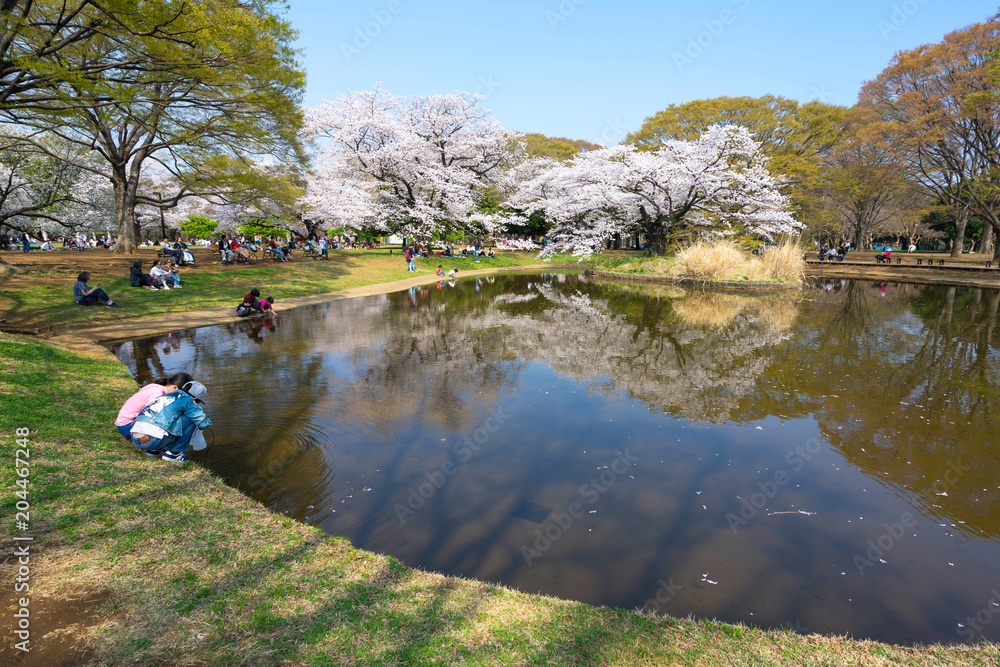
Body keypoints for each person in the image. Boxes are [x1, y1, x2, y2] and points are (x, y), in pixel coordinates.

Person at [130, 381, 211, 462]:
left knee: (169, 420)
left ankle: (156, 450)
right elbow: (202, 423)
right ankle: (174, 454)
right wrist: (206, 423)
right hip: (152, 440)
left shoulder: (167, 395)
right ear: (195, 398)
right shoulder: (188, 400)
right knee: (190, 419)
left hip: (136, 438)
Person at [115, 372, 193, 439]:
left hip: (125, 424)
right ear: (175, 387)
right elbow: (152, 415)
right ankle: (159, 446)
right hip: (127, 427)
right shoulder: (157, 393)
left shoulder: (157, 388)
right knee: (181, 421)